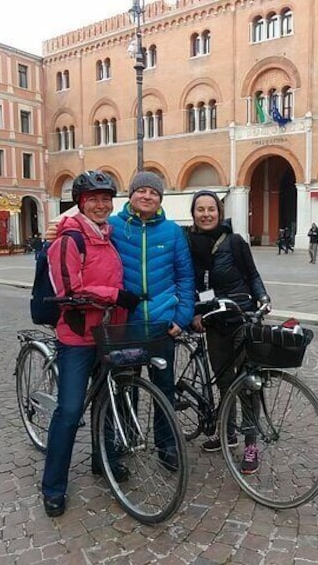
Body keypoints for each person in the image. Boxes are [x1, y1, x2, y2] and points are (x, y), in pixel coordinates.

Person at [41, 170, 140, 518]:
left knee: (108, 401)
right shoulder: (71, 240)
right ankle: (53, 486)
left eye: (105, 199)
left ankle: (105, 460)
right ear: (81, 204)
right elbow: (69, 292)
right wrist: (116, 295)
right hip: (78, 337)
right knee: (69, 411)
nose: (100, 205)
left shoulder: (107, 237)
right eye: (93, 199)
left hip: (108, 334)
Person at [108, 171, 195, 472]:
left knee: (164, 388)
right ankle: (125, 436)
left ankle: (166, 445)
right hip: (126, 323)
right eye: (141, 190)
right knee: (124, 385)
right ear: (130, 195)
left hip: (161, 324)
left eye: (153, 192)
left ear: (160, 199)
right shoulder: (113, 227)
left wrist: (181, 317)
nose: (147, 196)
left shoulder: (172, 232)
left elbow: (185, 278)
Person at [187, 190, 271, 475]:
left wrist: (263, 298)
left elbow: (252, 275)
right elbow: (191, 285)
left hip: (241, 317)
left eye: (211, 209)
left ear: (219, 213)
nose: (207, 214)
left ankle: (250, 443)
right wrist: (195, 313)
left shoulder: (235, 242)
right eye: (201, 209)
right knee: (224, 381)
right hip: (213, 320)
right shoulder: (189, 245)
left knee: (248, 383)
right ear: (194, 214)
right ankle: (229, 432)